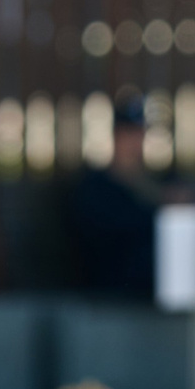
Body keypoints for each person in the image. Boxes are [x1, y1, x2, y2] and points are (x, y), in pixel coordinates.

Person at [68, 92, 158, 301]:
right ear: (115, 136)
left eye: (139, 134)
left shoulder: (156, 181)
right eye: (128, 134)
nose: (135, 142)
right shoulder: (94, 187)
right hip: (111, 288)